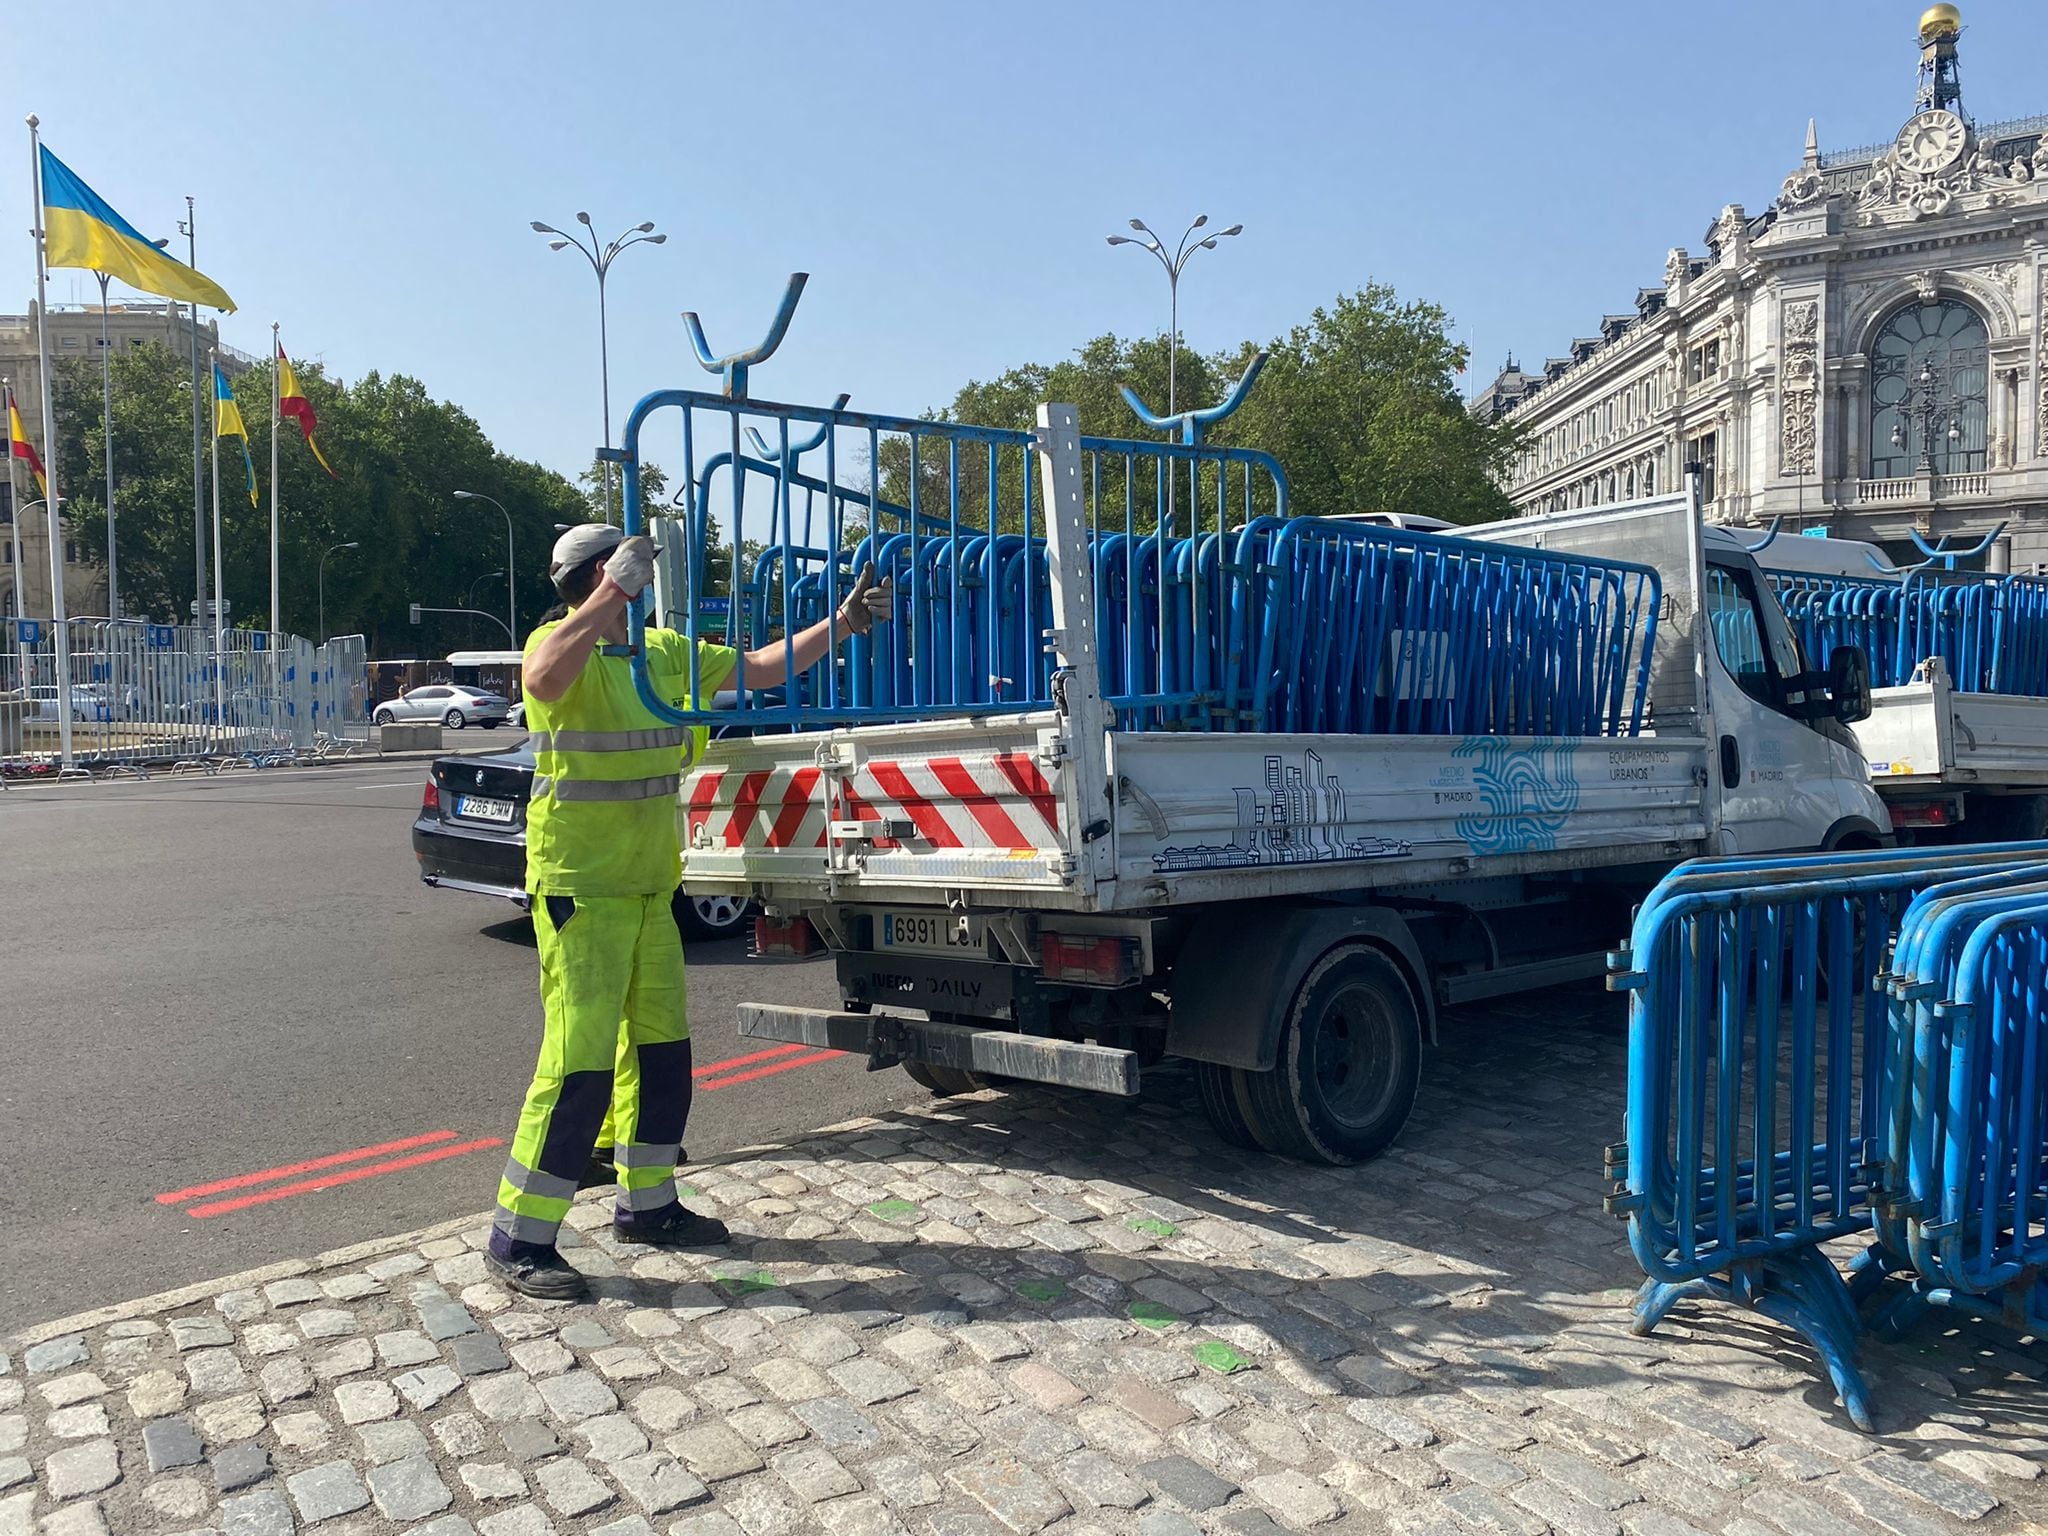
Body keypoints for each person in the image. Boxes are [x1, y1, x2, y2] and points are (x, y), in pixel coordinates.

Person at [486, 524, 892, 1299]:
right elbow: (539, 680)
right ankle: (519, 1238)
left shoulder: (665, 654)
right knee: (578, 1066)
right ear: (603, 574)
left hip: (649, 888)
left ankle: (650, 1208)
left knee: (663, 1056)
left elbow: (764, 667)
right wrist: (614, 592)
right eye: (630, 572)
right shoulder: (558, 642)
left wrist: (841, 624)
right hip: (581, 889)